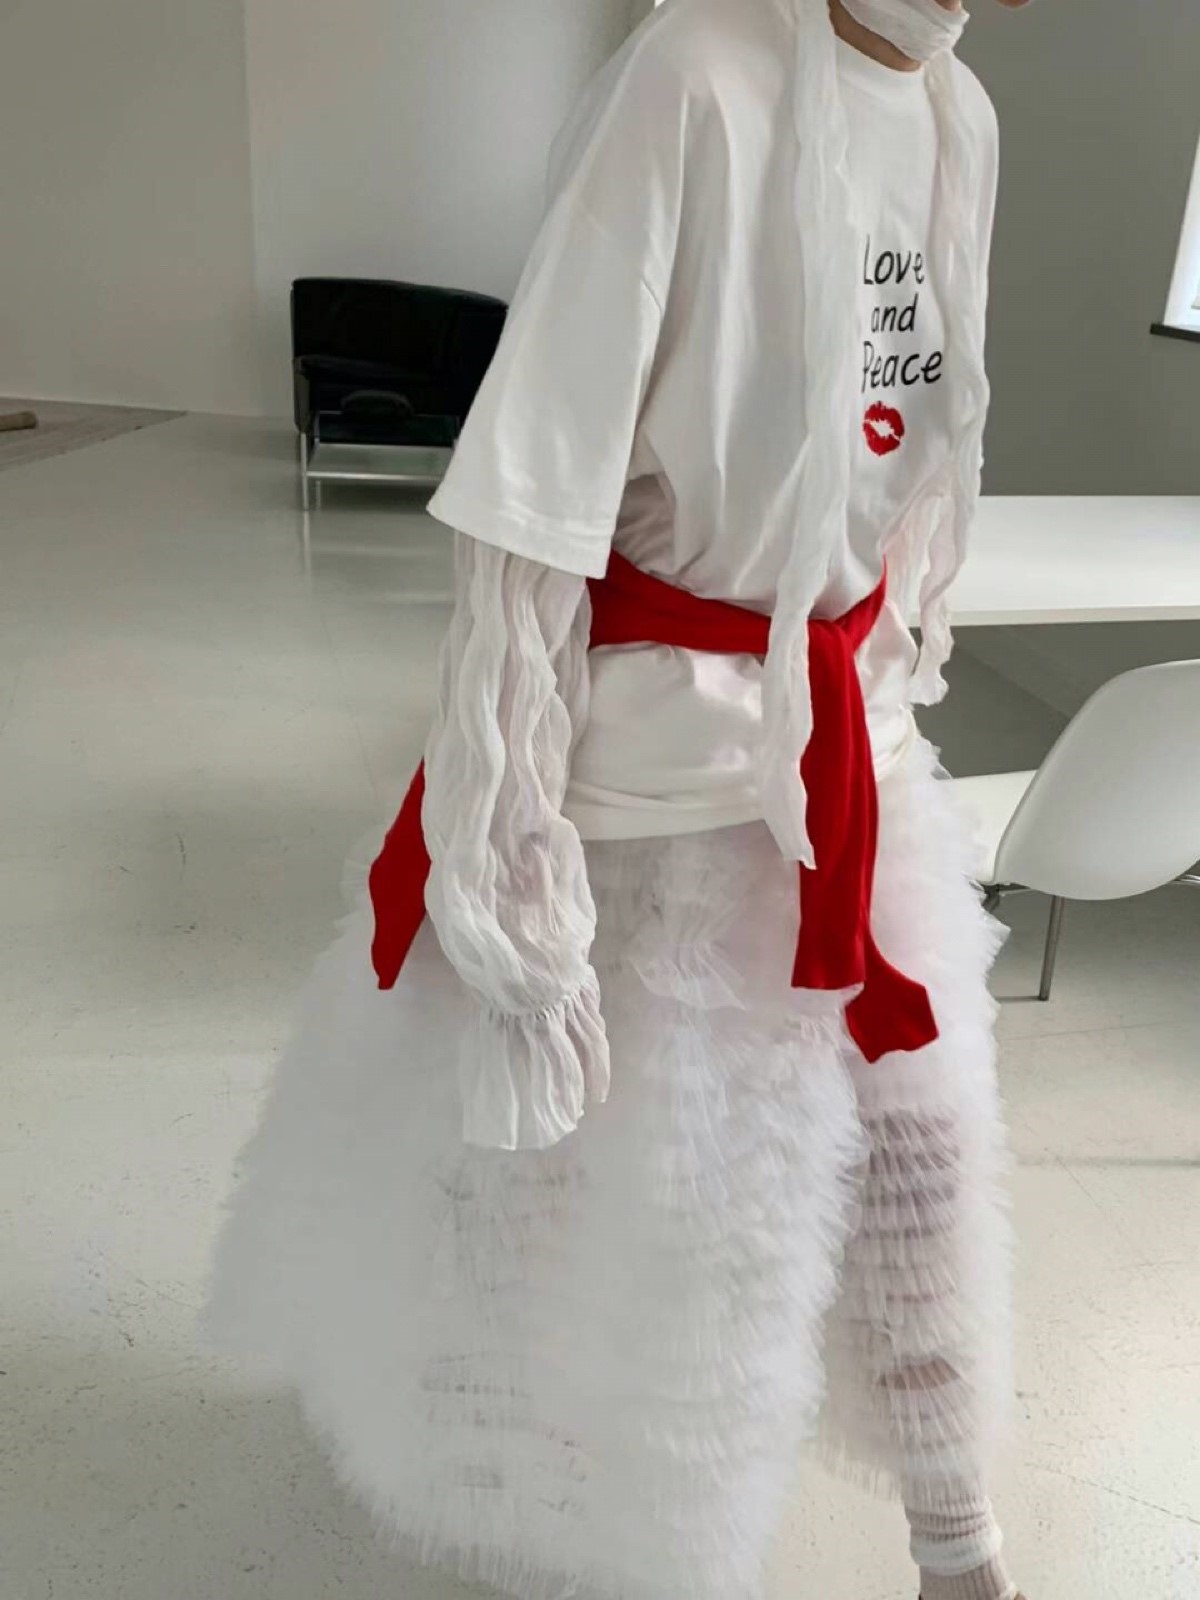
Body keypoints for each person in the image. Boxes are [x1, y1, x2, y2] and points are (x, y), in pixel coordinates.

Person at [205, 2, 1035, 1598]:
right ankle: (581, 1533)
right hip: (649, 778)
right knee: (642, 1216)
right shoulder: (695, 74)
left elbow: (905, 462)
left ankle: (956, 1534)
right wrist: (511, 832)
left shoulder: (960, 114)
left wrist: (881, 673)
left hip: (846, 744)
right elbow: (535, 490)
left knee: (918, 1155)